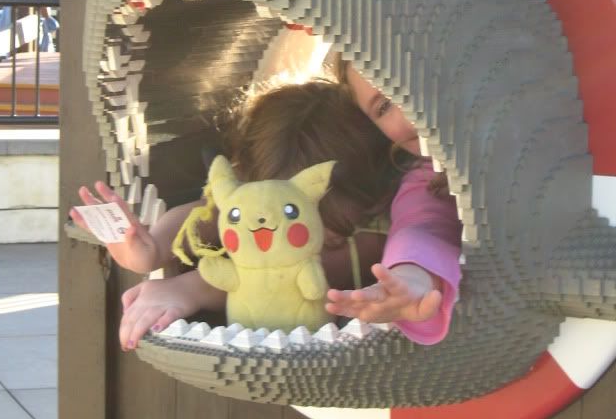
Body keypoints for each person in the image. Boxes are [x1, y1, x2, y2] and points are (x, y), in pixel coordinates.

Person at [72, 78, 462, 350]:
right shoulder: (254, 201)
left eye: (318, 228)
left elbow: (282, 275)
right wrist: (152, 248)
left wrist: (190, 288)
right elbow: (202, 213)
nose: (280, 240)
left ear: (367, 199)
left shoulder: (375, 230)